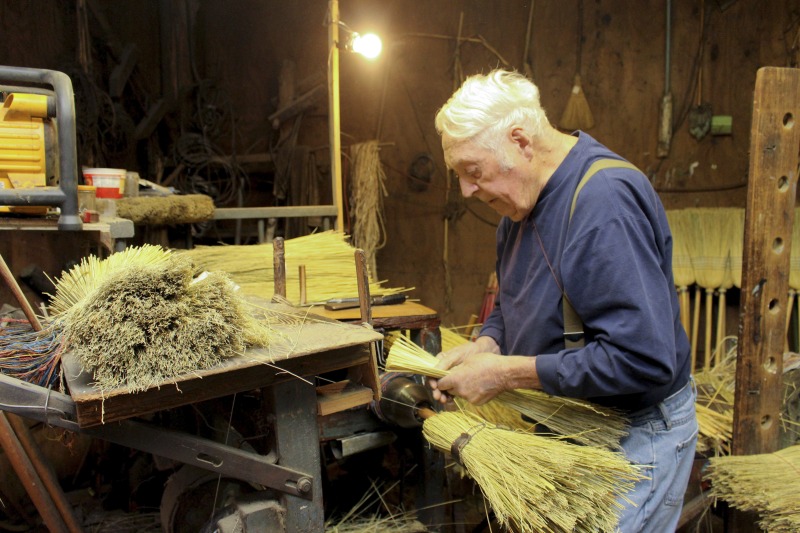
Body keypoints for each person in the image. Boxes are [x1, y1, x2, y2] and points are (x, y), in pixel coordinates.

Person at [430, 69, 697, 532]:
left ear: (520, 142)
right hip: (575, 423)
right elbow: (513, 308)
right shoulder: (516, 213)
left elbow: (644, 359)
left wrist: (506, 374)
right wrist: (488, 344)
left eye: (473, 172)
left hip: (634, 434)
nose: (466, 191)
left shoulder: (604, 205)